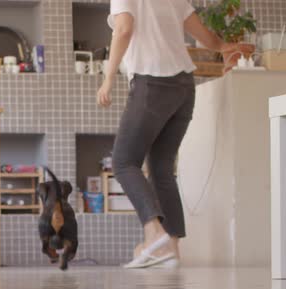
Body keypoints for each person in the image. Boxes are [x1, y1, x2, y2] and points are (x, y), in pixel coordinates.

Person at [97, 0, 236, 268]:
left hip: (152, 83)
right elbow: (204, 35)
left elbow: (124, 29)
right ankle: (171, 248)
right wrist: (224, 48)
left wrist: (109, 76)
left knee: (124, 162)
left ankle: (154, 234)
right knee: (161, 168)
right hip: (184, 86)